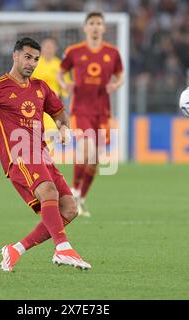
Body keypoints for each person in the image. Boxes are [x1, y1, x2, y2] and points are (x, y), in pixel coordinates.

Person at [0, 37, 91, 271]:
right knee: (49, 191)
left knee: (69, 209)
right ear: (15, 56)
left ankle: (15, 249)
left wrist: (63, 126)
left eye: (35, 59)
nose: (32, 63)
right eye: (27, 57)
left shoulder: (41, 87)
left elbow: (58, 112)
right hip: (18, 155)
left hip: (42, 155)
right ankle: (63, 248)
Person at [58, 12, 124, 217]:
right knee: (86, 148)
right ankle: (74, 192)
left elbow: (120, 75)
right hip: (81, 109)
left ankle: (81, 198)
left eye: (99, 24)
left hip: (103, 111)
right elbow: (61, 73)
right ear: (85, 28)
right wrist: (65, 85)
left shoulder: (112, 53)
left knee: (95, 158)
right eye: (92, 23)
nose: (95, 27)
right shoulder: (74, 51)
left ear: (104, 28)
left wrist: (116, 84)